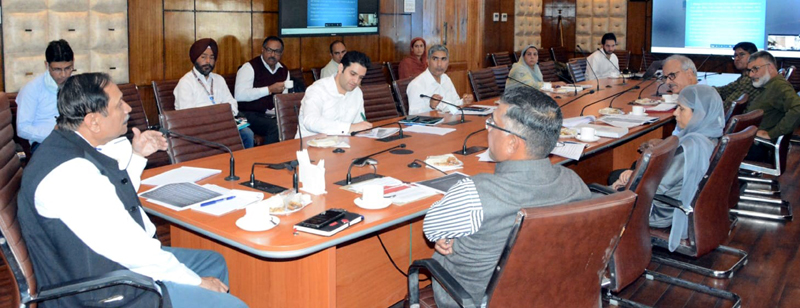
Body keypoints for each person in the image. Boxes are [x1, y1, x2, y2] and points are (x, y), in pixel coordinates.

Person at [15, 73, 248, 308]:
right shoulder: (70, 174)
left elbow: (112, 197)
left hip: (110, 267)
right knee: (232, 305)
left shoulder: (71, 145)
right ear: (93, 121)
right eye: (119, 104)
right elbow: (131, 249)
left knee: (212, 263)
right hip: (102, 290)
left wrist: (137, 156)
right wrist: (197, 282)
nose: (128, 108)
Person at [422, 86, 591, 307]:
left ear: (512, 143)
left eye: (492, 124)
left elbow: (432, 229)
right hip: (550, 293)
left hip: (472, 299)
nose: (488, 129)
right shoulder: (574, 182)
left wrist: (452, 233)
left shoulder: (474, 193)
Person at [611, 85, 724, 251]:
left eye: (681, 109)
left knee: (608, 184)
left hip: (661, 212)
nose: (675, 113)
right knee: (621, 174)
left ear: (698, 114)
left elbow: (655, 187)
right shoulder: (712, 137)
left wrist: (631, 177)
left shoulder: (690, 147)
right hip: (686, 206)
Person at [174, 38, 255, 148]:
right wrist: (213, 116)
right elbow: (188, 116)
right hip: (198, 128)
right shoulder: (186, 83)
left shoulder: (219, 79)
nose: (208, 61)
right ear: (195, 58)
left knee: (247, 134)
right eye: (203, 57)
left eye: (212, 57)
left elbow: (232, 104)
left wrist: (222, 116)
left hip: (222, 124)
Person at [16, 39, 75, 153]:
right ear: (46, 65)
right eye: (57, 69)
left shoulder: (77, 84)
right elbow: (22, 129)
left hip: (75, 141)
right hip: (44, 143)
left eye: (68, 68)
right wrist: (56, 134)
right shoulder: (31, 89)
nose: (63, 74)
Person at [298, 51, 373, 136]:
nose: (356, 81)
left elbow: (358, 125)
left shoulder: (357, 92)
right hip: (311, 142)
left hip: (344, 142)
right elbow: (310, 121)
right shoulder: (317, 89)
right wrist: (349, 128)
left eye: (360, 77)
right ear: (340, 68)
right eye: (353, 74)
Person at [235, 36, 291, 144]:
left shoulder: (283, 70)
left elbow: (284, 98)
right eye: (269, 50)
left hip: (271, 113)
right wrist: (269, 89)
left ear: (281, 53)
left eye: (277, 51)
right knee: (276, 126)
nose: (272, 55)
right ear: (262, 49)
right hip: (249, 114)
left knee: (291, 122)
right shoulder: (249, 67)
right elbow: (239, 95)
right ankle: (270, 154)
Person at [744, 51, 800, 141]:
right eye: (750, 70)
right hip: (748, 137)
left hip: (755, 143)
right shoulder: (768, 84)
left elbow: (798, 107)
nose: (751, 75)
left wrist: (772, 134)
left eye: (755, 69)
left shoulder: (779, 86)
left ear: (770, 67)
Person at [406, 44, 474, 115]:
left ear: (448, 62)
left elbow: (454, 103)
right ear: (427, 61)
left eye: (443, 59)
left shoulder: (446, 78)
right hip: (434, 122)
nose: (439, 64)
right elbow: (413, 115)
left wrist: (464, 101)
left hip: (450, 119)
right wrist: (430, 106)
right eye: (435, 59)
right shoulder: (416, 85)